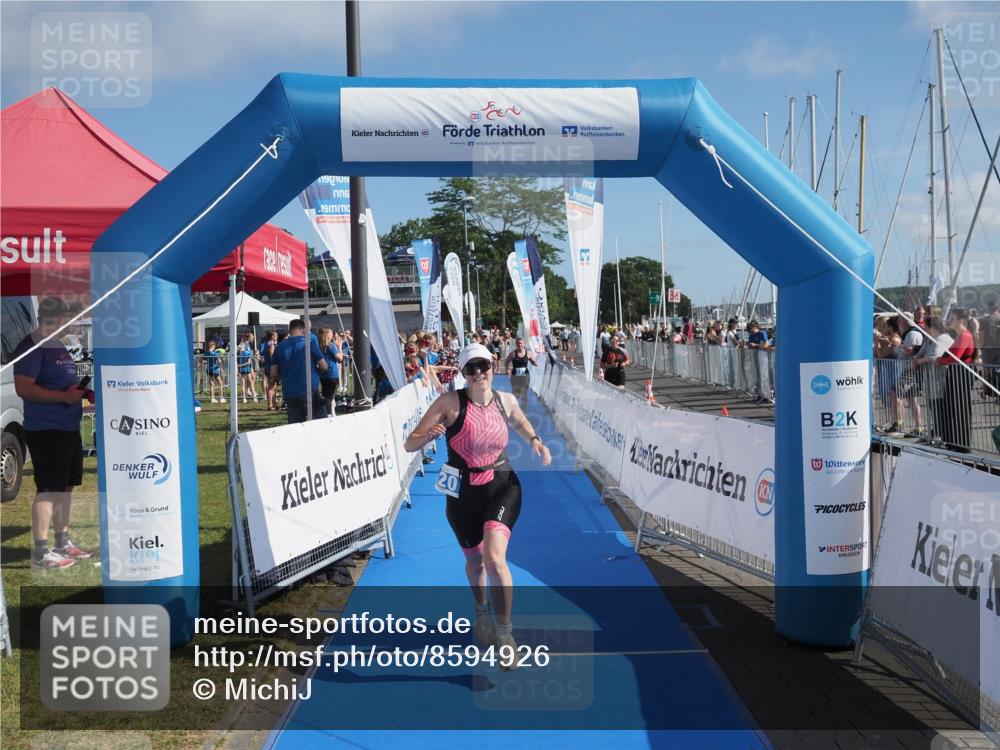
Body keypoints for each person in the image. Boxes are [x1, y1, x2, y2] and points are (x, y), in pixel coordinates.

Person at [403, 344, 552, 670]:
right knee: (475, 563)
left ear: (492, 365)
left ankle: (506, 634)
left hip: (502, 487)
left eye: (483, 366)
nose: (479, 374)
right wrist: (428, 435)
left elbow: (521, 421)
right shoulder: (449, 403)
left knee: (495, 558)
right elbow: (409, 442)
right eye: (471, 369)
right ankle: (482, 612)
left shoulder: (505, 401)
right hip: (461, 496)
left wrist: (535, 441)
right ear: (463, 374)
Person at [13, 298, 96, 570]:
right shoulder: (33, 346)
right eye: (68, 317)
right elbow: (24, 388)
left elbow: (65, 385)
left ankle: (62, 542)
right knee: (48, 489)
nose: (70, 323)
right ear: (56, 317)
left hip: (68, 427)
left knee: (66, 488)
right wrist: (63, 395)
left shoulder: (57, 345)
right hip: (46, 429)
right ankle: (41, 551)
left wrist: (82, 393)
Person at [269, 319, 327, 424]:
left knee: (295, 428)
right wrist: (316, 372)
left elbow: (273, 373)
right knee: (320, 425)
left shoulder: (280, 347)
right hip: (309, 391)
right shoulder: (309, 344)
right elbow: (324, 366)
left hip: (290, 393)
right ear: (302, 329)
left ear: (290, 329)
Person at [317, 328, 343, 417]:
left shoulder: (319, 346)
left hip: (323, 375)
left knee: (326, 395)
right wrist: (339, 347)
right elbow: (340, 358)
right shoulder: (330, 345)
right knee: (330, 397)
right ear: (328, 335)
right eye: (331, 333)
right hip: (332, 374)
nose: (333, 335)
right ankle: (328, 414)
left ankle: (328, 413)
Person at [505, 338, 537, 409]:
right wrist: (507, 370)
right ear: (516, 344)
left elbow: (532, 361)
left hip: (525, 376)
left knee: (524, 393)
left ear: (524, 344)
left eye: (521, 343)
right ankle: (513, 409)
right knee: (516, 394)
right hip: (515, 376)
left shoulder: (528, 353)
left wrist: (535, 363)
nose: (520, 345)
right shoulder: (513, 353)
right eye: (518, 343)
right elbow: (506, 362)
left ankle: (523, 410)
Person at [260, 331, 279, 411]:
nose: (277, 337)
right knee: (271, 387)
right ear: (273, 337)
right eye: (276, 336)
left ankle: (274, 404)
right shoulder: (271, 345)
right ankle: (270, 405)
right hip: (271, 368)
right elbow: (272, 357)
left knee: (273, 386)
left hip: (267, 367)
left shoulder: (265, 344)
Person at [205, 339, 226, 403]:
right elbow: (219, 361)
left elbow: (203, 360)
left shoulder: (206, 352)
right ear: (213, 346)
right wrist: (220, 366)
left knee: (212, 384)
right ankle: (221, 398)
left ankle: (212, 398)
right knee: (220, 383)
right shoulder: (214, 353)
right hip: (215, 369)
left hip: (209, 369)